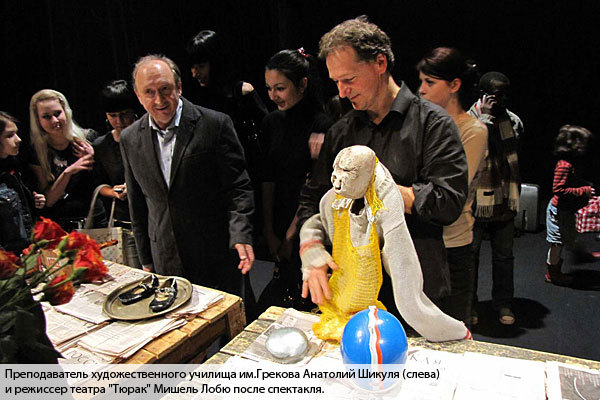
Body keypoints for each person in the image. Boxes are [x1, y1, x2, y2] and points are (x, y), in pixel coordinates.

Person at [298, 16, 468, 316]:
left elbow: (448, 202)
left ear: (380, 63)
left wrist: (377, 190)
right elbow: (313, 198)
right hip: (352, 295)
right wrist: (310, 247)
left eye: (349, 79)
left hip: (416, 297)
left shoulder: (433, 124)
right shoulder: (341, 131)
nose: (342, 92)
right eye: (336, 82)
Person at [119, 54, 255, 315]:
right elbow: (137, 204)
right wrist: (145, 259)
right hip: (165, 257)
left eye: (165, 89)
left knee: (230, 323)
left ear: (179, 86)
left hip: (216, 252)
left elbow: (238, 188)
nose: (159, 100)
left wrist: (241, 234)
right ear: (138, 96)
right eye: (149, 93)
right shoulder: (129, 138)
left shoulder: (215, 124)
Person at [300, 146, 470, 342]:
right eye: (336, 170)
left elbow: (407, 285)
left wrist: (451, 331)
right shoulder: (334, 197)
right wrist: (311, 246)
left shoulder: (387, 209)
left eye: (346, 172)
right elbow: (319, 214)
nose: (336, 180)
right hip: (340, 305)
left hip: (397, 308)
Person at [417, 47, 488, 327]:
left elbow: (448, 193)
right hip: (416, 241)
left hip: (451, 246)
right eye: (421, 81)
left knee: (452, 329)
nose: (421, 90)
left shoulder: (473, 131)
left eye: (430, 82)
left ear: (454, 85)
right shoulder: (421, 125)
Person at [258, 48, 333, 311]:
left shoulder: (322, 125)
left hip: (307, 221)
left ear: (302, 84)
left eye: (280, 88)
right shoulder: (271, 122)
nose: (272, 96)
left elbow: (314, 185)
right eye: (269, 88)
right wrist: (269, 230)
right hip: (278, 216)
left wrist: (290, 237)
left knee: (308, 298)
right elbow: (267, 177)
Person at [468, 71, 522, 325]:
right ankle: (469, 304)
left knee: (504, 256)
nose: (503, 99)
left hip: (504, 196)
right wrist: (485, 121)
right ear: (483, 95)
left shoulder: (513, 120)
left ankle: (503, 303)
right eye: (497, 94)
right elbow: (471, 152)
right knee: (471, 256)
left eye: (506, 94)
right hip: (475, 200)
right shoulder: (469, 119)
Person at [28, 89, 104, 231]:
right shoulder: (37, 151)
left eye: (57, 113)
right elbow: (49, 200)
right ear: (38, 120)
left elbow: (103, 182)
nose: (54, 120)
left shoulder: (88, 138)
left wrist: (93, 158)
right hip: (60, 224)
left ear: (66, 112)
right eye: (46, 117)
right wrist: (68, 172)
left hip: (94, 219)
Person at [93, 79, 140, 267]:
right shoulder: (101, 145)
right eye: (112, 116)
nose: (119, 121)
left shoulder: (148, 136)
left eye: (124, 114)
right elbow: (98, 184)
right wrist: (113, 191)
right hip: (123, 224)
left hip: (154, 220)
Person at [545, 125, 595, 286]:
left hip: (565, 210)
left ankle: (578, 254)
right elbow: (558, 189)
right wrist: (583, 190)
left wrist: (584, 185)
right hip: (558, 210)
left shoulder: (571, 163)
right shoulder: (564, 165)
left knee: (568, 235)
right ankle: (553, 273)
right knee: (557, 242)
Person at [0, 112, 46, 252]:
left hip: (25, 252)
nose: (18, 139)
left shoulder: (15, 167)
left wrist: (34, 202)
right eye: (10, 135)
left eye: (16, 133)